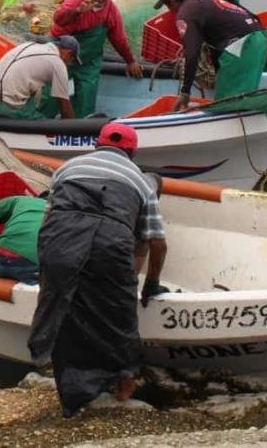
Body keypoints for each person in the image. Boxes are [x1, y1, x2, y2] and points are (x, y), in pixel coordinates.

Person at [28, 122, 167, 417]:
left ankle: (58, 375)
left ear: (96, 145)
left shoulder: (67, 168)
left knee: (64, 306)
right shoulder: (141, 182)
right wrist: (151, 284)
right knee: (118, 313)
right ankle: (124, 378)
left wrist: (46, 263)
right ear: (132, 151)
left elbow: (49, 219)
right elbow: (157, 243)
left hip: (60, 238)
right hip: (109, 240)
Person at [153, 0, 267, 111]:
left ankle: (231, 126)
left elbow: (191, 55)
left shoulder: (185, 14)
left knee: (228, 105)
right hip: (260, 38)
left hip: (242, 46)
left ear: (172, 2)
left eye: (167, 6)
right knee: (242, 96)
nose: (170, 10)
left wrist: (185, 92)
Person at [52, 0, 144, 117]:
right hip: (63, 55)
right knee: (51, 96)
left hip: (89, 60)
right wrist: (77, 12)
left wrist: (130, 61)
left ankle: (80, 131)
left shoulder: (111, 10)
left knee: (86, 99)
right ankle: (42, 127)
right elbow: (58, 21)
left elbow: (119, 39)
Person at [0, 37, 80, 120]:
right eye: (71, 61)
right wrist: (74, 131)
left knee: (31, 96)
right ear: (68, 53)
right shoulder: (58, 63)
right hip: (4, 108)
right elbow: (66, 111)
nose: (68, 64)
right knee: (46, 126)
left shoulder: (28, 45)